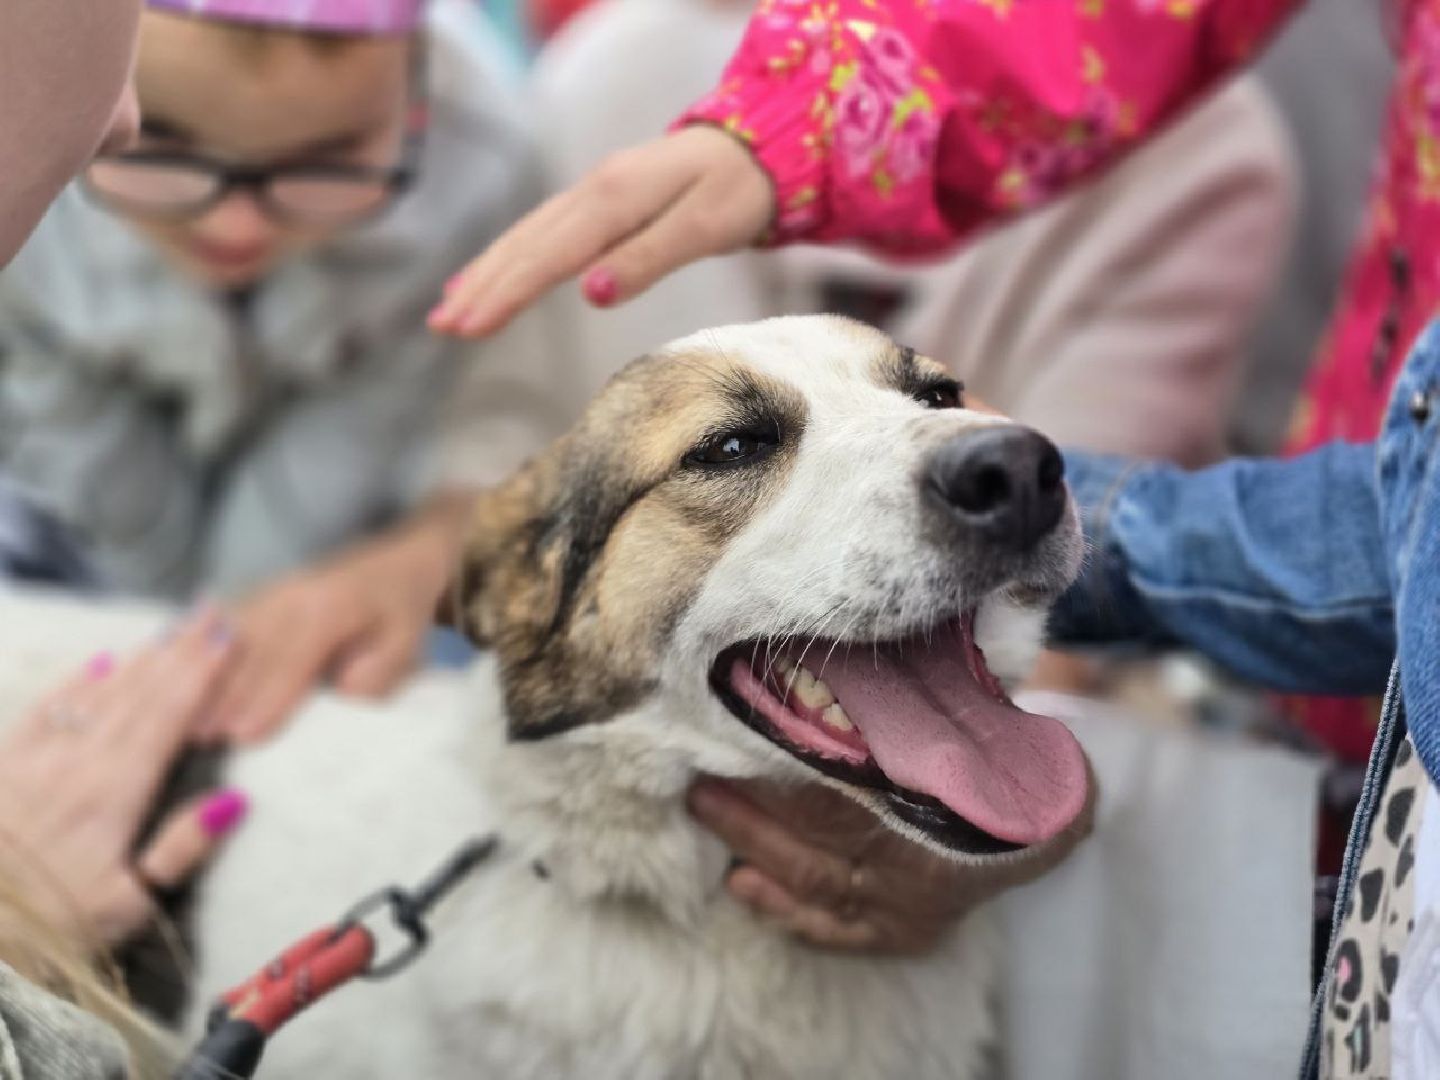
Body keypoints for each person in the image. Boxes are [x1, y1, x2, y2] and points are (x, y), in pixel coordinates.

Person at [0, 0, 579, 744]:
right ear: (102, 111)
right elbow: (55, 396)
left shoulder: (483, 159)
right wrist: (162, 646)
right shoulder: (33, 128)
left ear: (416, 102)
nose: (233, 228)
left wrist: (237, 638)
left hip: (348, 498)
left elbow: (376, 413)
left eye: (326, 157)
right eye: (163, 141)